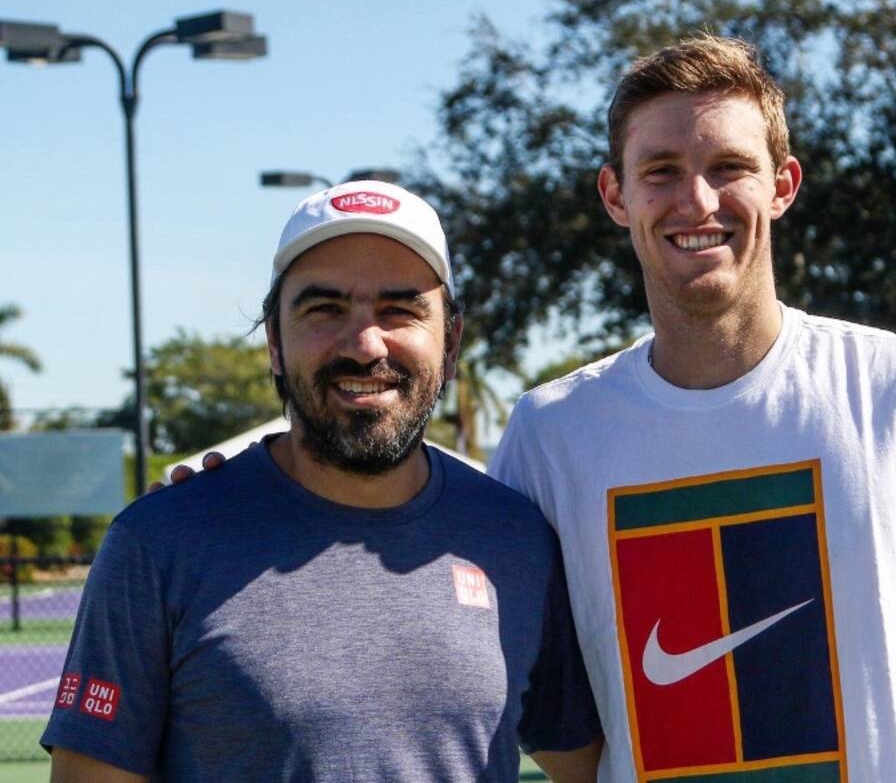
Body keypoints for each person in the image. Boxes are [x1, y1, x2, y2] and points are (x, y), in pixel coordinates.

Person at [487, 37, 896, 782]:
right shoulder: (549, 438)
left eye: (729, 167)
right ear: (615, 195)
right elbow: (553, 727)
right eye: (662, 171)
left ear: (783, 183)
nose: (698, 200)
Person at [41, 181, 601, 782]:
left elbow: (595, 768)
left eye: (400, 310)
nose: (365, 346)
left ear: (452, 341)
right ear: (275, 343)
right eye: (325, 309)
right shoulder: (157, 544)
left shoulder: (516, 538)